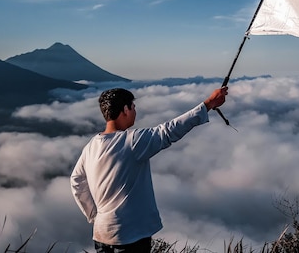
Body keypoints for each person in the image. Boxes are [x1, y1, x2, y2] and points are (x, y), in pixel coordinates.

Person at [70, 85, 228, 253]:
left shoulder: (90, 147)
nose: (135, 112)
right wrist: (209, 104)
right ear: (125, 109)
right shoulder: (131, 141)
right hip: (131, 235)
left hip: (102, 234)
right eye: (133, 107)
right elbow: (169, 131)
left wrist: (95, 215)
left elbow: (76, 181)